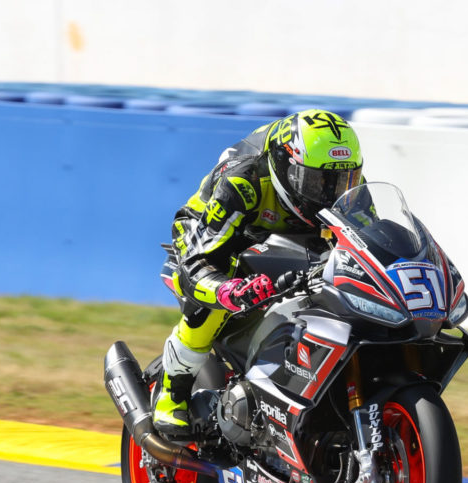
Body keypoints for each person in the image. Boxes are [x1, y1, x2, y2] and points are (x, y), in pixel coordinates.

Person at [152, 109, 365, 437]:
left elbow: (366, 241)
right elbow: (196, 263)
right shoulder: (245, 181)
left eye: (341, 181)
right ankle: (172, 394)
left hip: (287, 235)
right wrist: (229, 291)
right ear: (285, 165)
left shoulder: (347, 186)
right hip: (210, 233)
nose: (329, 194)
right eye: (317, 182)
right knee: (216, 297)